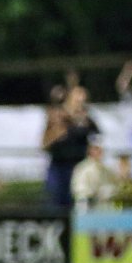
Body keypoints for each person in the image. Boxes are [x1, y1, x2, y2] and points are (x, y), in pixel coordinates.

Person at [41, 85, 96, 213]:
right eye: (77, 99)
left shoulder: (87, 121)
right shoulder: (57, 119)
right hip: (59, 167)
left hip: (79, 167)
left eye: (83, 100)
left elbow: (96, 140)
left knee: (77, 204)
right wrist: (58, 131)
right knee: (55, 203)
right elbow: (44, 144)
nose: (80, 103)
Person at [70, 141, 117, 210]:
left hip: (103, 205)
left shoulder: (106, 170)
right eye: (95, 149)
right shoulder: (82, 168)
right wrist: (94, 194)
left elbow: (112, 186)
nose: (98, 152)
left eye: (99, 150)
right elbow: (79, 190)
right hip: (87, 204)